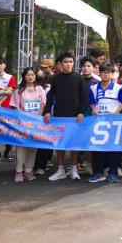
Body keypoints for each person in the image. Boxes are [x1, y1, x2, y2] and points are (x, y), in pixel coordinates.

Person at [43, 52, 86, 180]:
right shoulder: (56, 78)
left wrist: (81, 112)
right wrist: (47, 111)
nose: (68, 64)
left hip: (75, 117)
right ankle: (60, 169)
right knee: (59, 144)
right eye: (66, 62)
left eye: (70, 62)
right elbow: (50, 96)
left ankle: (74, 169)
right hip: (59, 116)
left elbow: (84, 97)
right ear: (60, 64)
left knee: (74, 144)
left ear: (73, 63)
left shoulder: (79, 78)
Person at [87, 63, 122, 183]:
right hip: (99, 123)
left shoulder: (118, 88)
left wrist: (116, 112)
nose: (106, 74)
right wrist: (94, 109)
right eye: (103, 72)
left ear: (112, 74)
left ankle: (112, 173)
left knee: (113, 148)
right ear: (100, 73)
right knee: (98, 148)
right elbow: (92, 102)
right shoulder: (94, 88)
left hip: (113, 122)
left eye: (108, 72)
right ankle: (98, 173)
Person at [10, 67, 46, 182]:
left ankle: (29, 170)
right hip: (22, 122)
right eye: (28, 75)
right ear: (24, 76)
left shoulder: (40, 89)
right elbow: (15, 105)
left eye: (33, 75)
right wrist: (24, 117)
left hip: (35, 123)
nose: (30, 77)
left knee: (32, 147)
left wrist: (38, 118)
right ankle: (19, 171)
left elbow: (42, 105)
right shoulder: (19, 90)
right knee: (21, 146)